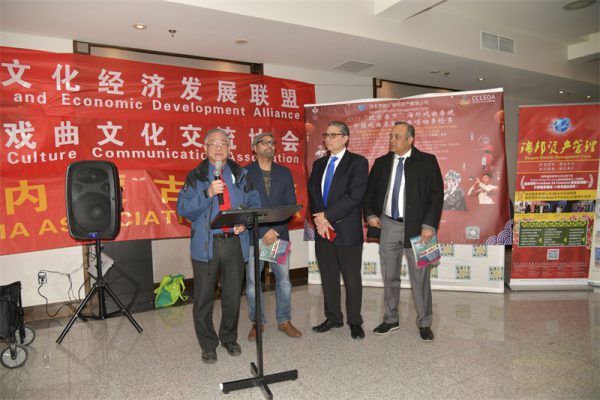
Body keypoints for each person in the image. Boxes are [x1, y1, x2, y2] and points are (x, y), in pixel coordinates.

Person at [177, 128, 260, 364]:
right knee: (204, 298)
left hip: (234, 244)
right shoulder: (196, 176)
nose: (218, 147)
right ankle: (208, 344)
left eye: (223, 143)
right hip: (207, 247)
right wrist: (208, 193)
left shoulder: (241, 174)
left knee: (232, 297)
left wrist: (245, 222)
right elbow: (184, 210)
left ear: (229, 148)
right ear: (205, 148)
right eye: (213, 144)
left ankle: (229, 338)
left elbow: (254, 204)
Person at [363, 121, 443, 341]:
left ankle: (424, 323)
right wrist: (370, 214)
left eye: (397, 136)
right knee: (390, 275)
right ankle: (390, 319)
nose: (392, 140)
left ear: (410, 140)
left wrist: (429, 225)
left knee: (421, 278)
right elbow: (369, 193)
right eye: (390, 136)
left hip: (419, 228)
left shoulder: (427, 161)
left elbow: (436, 196)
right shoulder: (381, 163)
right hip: (388, 225)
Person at [307, 121, 369, 340]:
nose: (328, 139)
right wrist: (320, 219)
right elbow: (313, 193)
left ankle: (355, 321)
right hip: (323, 230)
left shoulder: (358, 163)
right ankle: (333, 317)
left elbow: (355, 196)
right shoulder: (319, 164)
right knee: (328, 276)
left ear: (345, 138)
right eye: (326, 135)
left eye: (333, 135)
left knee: (352, 279)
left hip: (347, 230)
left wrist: (327, 216)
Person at [245, 132, 302, 341]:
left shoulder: (284, 173)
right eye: (264, 143)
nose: (269, 145)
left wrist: (275, 230)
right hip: (255, 235)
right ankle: (257, 322)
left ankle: (284, 321)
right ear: (255, 148)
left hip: (279, 235)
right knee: (253, 284)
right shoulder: (245, 172)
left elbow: (290, 205)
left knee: (284, 281)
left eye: (272, 142)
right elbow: (244, 206)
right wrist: (263, 231)